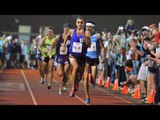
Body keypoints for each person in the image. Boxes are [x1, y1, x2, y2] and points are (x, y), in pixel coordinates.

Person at [68, 16, 91, 97]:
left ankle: (76, 83)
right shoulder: (71, 31)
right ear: (76, 23)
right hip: (72, 54)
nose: (80, 24)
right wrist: (64, 44)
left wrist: (84, 35)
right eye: (78, 22)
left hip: (82, 56)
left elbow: (89, 44)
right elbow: (66, 37)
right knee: (75, 67)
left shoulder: (87, 32)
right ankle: (72, 88)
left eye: (81, 22)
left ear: (83, 24)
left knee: (80, 77)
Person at [83, 21, 105, 103]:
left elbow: (102, 47)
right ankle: (87, 96)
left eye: (89, 27)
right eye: (86, 26)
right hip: (86, 57)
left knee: (92, 78)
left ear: (93, 28)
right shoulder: (83, 35)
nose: (87, 28)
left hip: (95, 58)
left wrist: (103, 57)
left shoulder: (97, 36)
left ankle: (93, 81)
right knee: (85, 77)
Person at [51, 23, 71, 94]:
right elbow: (52, 45)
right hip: (59, 57)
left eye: (68, 28)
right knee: (60, 74)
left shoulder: (71, 37)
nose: (66, 29)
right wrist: (51, 53)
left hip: (67, 57)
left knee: (65, 74)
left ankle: (61, 87)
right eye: (65, 27)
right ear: (63, 29)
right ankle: (65, 80)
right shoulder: (59, 37)